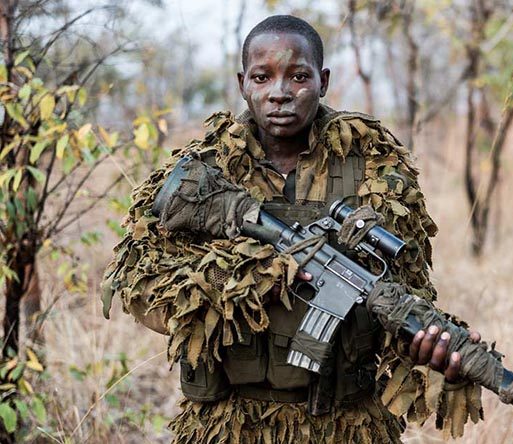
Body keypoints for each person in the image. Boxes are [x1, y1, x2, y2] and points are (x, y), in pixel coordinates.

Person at [102, 15, 483, 443]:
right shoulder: (202, 171)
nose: (280, 93)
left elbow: (407, 292)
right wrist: (247, 278)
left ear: (323, 81)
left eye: (298, 76)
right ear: (242, 82)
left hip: (348, 425)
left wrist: (429, 354)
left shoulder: (375, 166)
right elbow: (138, 288)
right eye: (262, 77)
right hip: (229, 424)